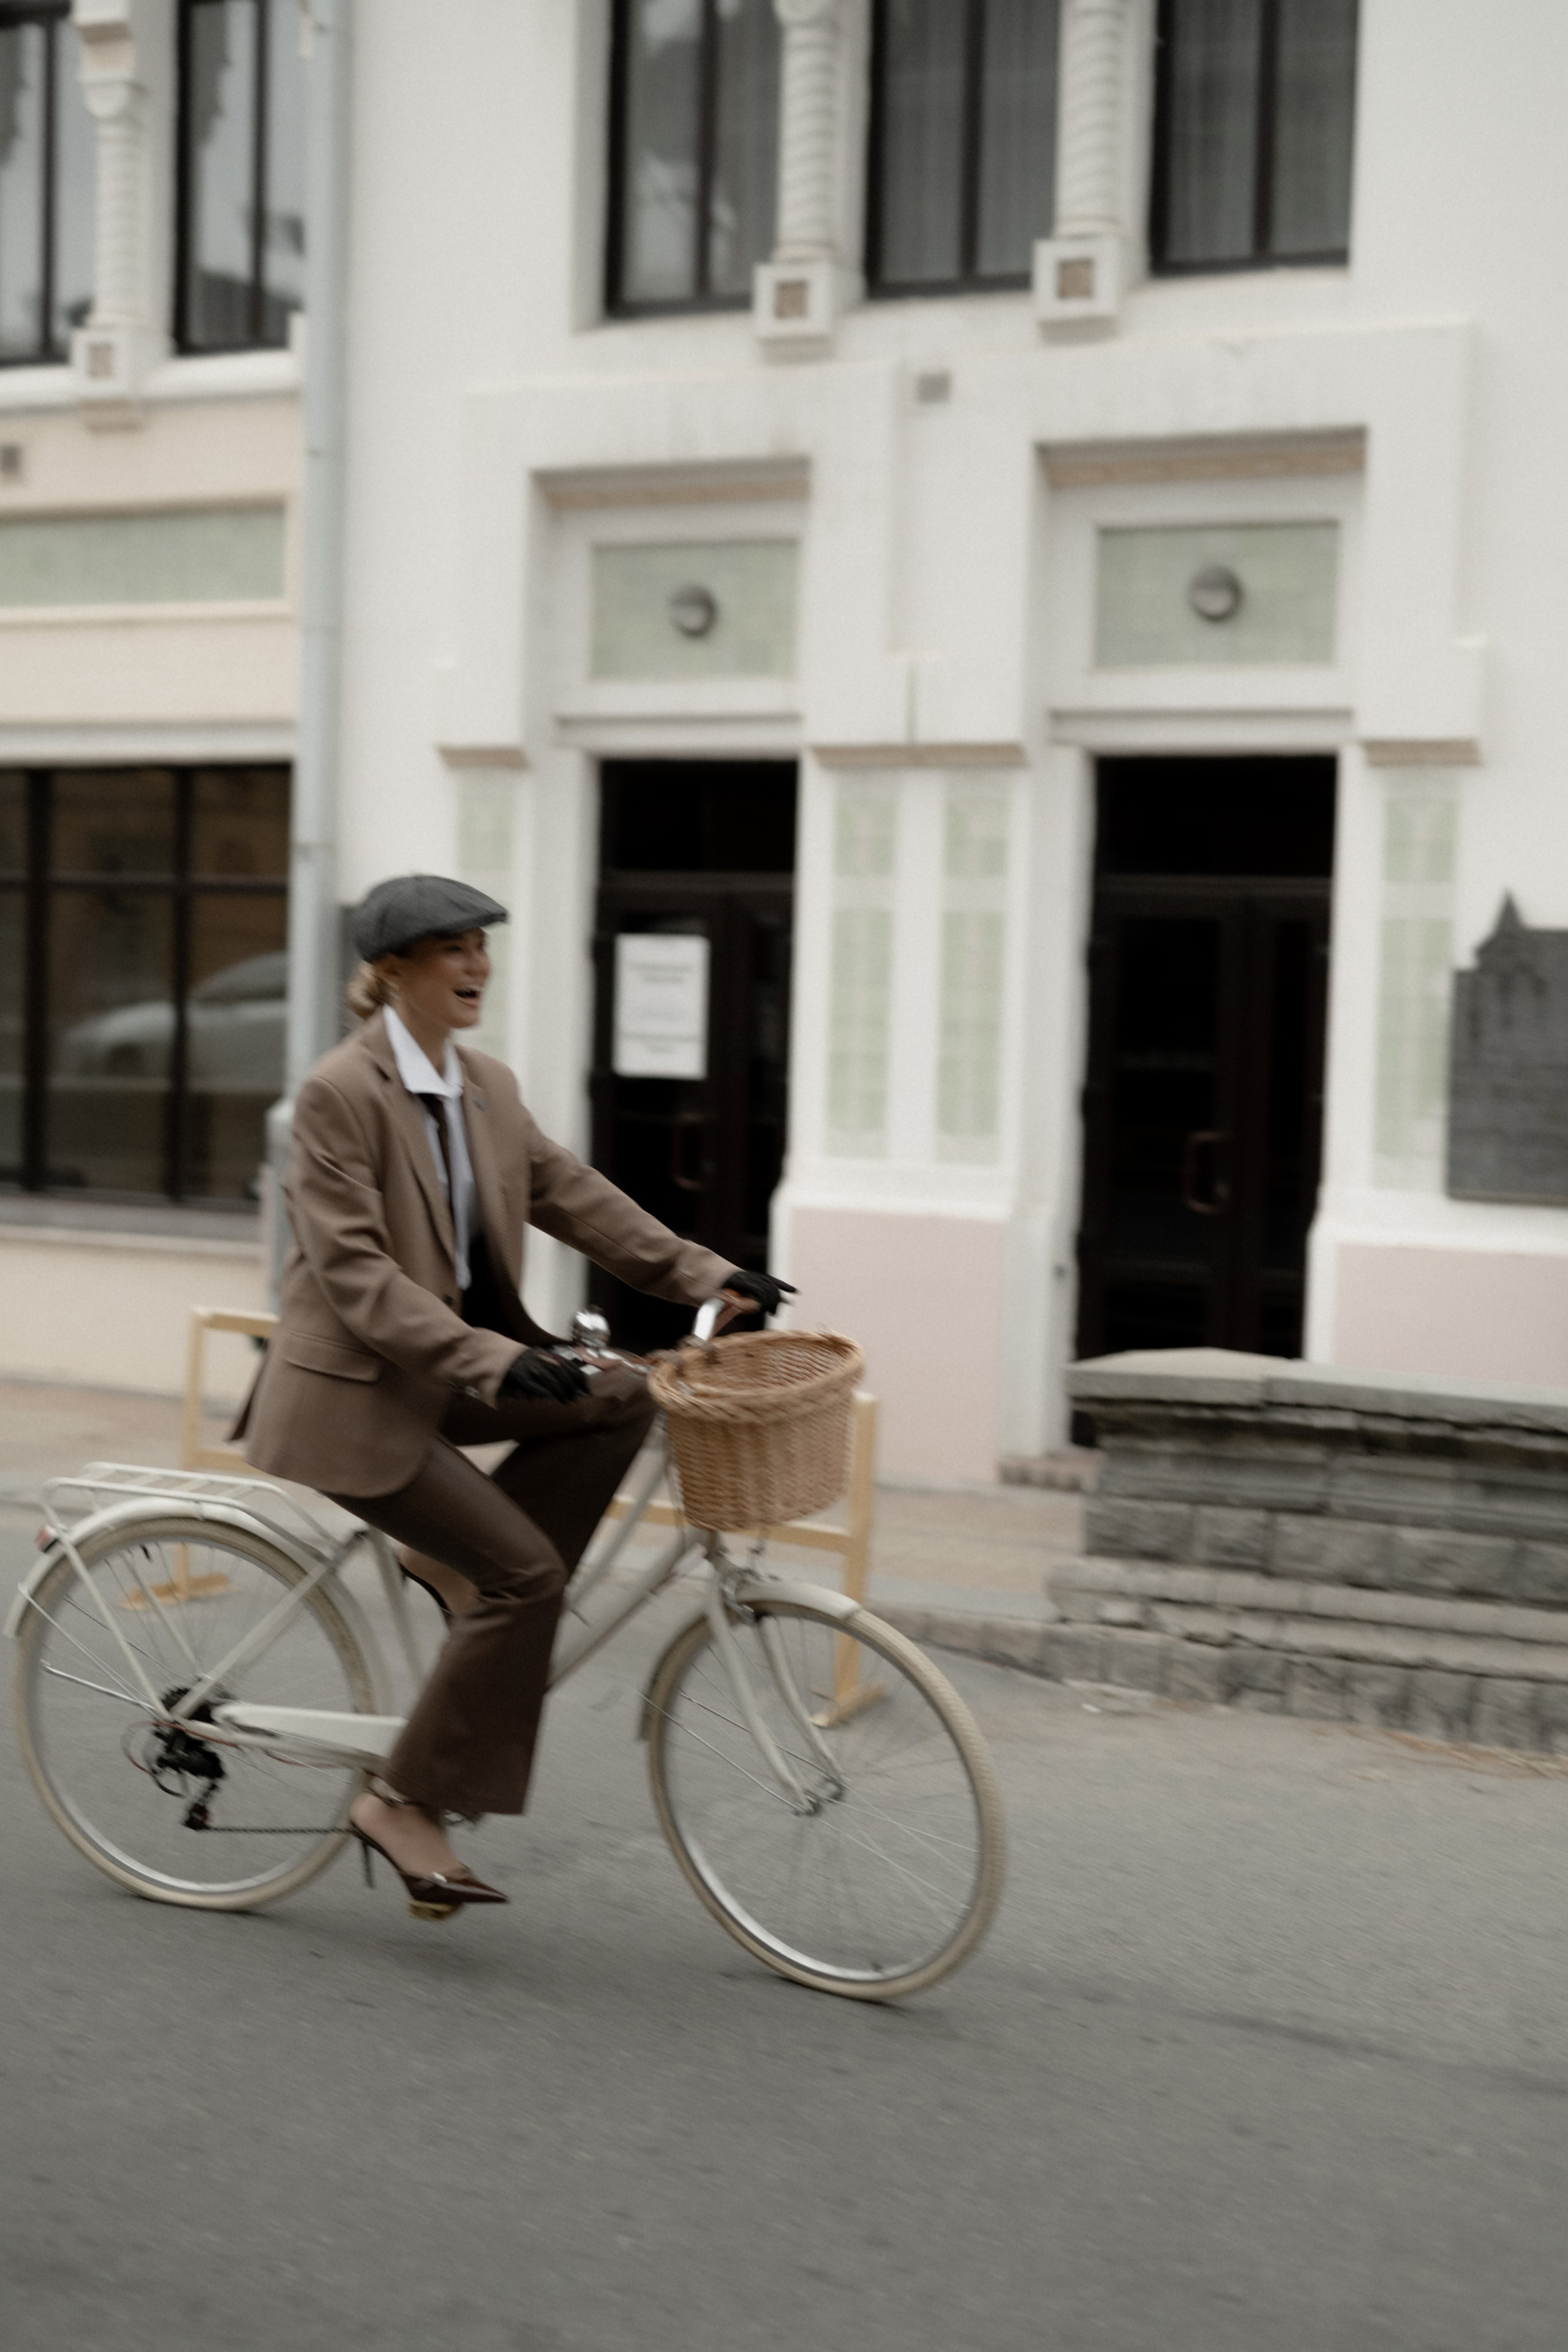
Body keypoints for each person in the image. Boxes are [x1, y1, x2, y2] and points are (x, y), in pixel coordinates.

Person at [236, 873, 793, 1920]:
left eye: (481, 946)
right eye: (453, 949)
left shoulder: (483, 1084)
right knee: (529, 1578)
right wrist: (491, 1360)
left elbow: (573, 1195)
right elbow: (357, 1279)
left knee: (626, 1393)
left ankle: (459, 1565)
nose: (477, 966)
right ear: (392, 970)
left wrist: (708, 1274)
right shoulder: (339, 1093)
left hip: (446, 1370)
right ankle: (401, 1803)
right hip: (356, 1396)